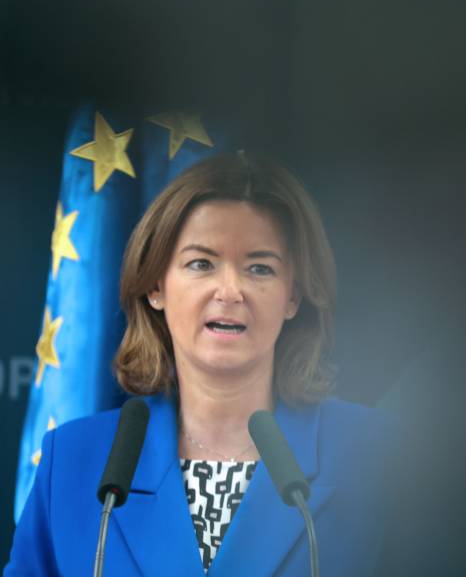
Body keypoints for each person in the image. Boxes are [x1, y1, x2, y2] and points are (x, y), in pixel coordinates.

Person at [5, 153, 391, 576]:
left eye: (259, 268)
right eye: (201, 264)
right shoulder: (73, 459)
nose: (230, 291)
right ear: (156, 286)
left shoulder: (377, 456)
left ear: (293, 296)